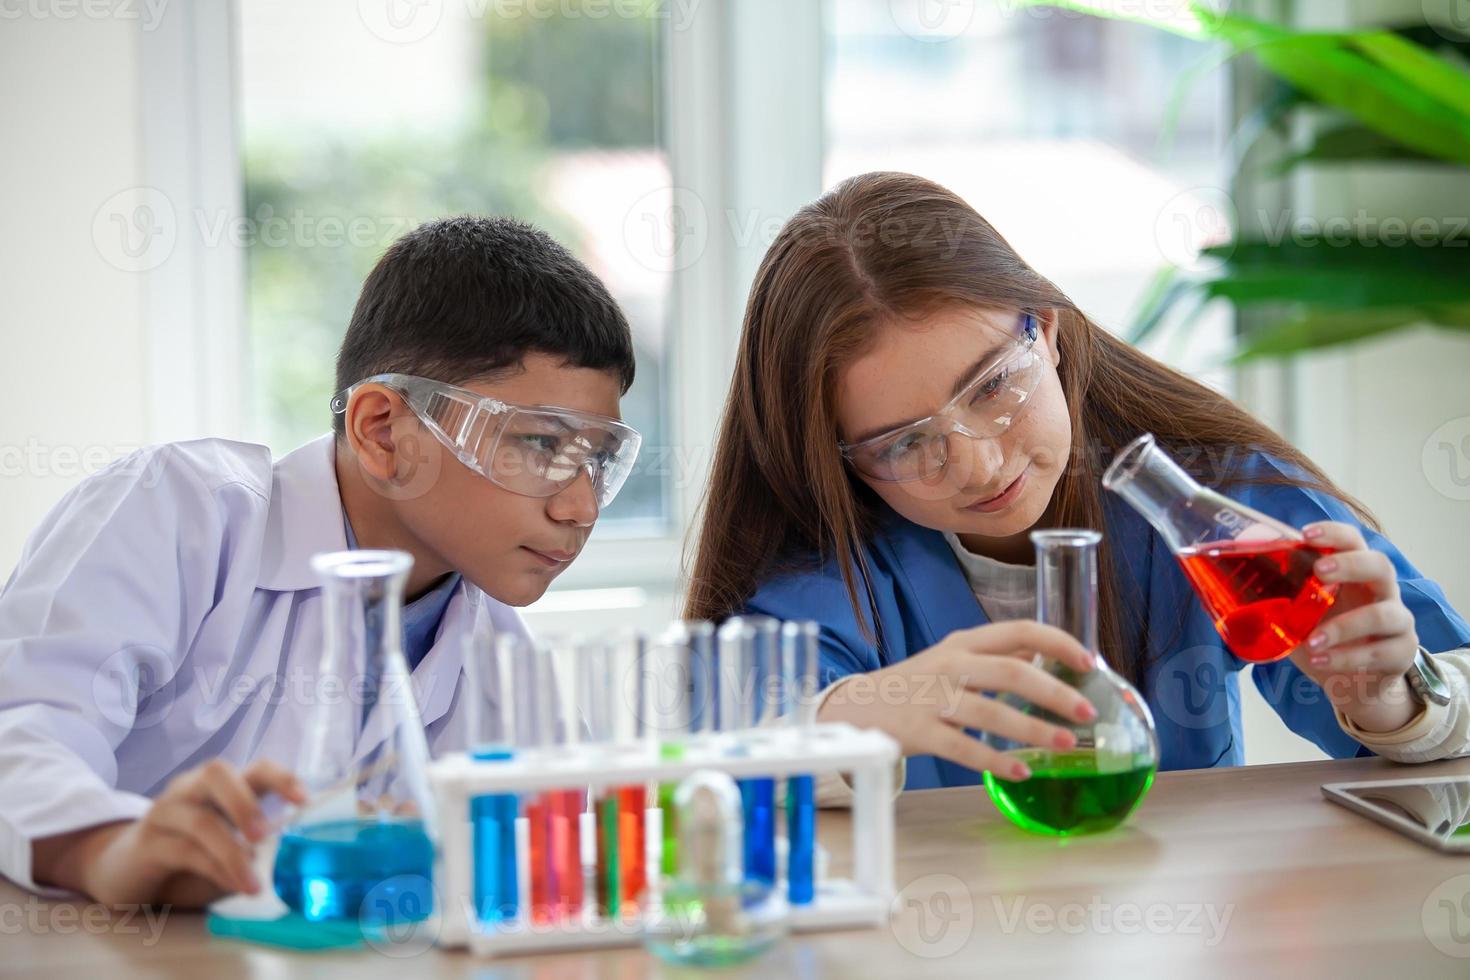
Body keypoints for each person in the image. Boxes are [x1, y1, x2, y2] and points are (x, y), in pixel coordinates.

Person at [686, 171, 1470, 800]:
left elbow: (1446, 683)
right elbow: (720, 753)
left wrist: (1395, 701)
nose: (981, 465)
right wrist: (865, 709)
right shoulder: (829, 558)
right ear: (837, 456)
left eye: (993, 387)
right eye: (907, 443)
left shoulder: (1200, 493)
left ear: (1048, 331)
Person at [0, 216, 642, 904]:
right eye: (541, 445)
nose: (581, 508)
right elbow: (22, 731)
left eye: (598, 460)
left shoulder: (509, 680)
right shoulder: (179, 516)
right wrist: (111, 850)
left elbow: (568, 877)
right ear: (384, 432)